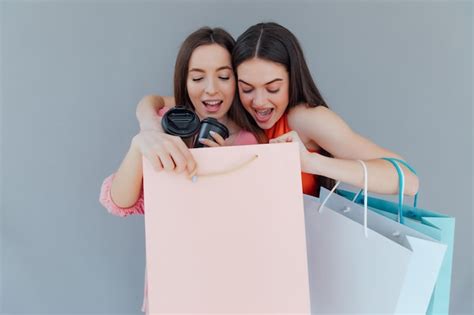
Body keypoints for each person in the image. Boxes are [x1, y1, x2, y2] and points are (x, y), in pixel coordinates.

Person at [136, 22, 419, 196]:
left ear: (292, 79)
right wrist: (148, 128)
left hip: (296, 264)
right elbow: (157, 101)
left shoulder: (305, 119)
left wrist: (312, 162)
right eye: (247, 88)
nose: (259, 102)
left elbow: (407, 179)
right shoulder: (230, 104)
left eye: (273, 88)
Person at [99, 27, 264, 312]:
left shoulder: (249, 141)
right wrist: (142, 141)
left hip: (227, 288)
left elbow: (253, 227)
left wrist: (224, 170)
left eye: (224, 77)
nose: (211, 89)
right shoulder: (166, 125)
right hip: (171, 287)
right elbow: (118, 201)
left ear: (238, 80)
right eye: (198, 77)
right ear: (184, 82)